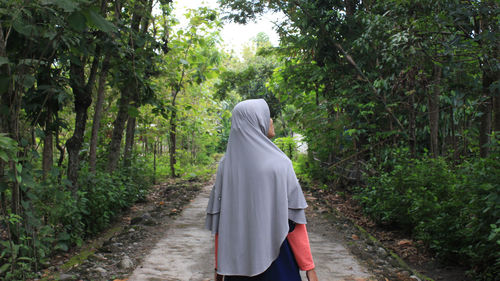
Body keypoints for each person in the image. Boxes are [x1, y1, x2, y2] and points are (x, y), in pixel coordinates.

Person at [205, 99, 318, 281]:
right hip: (279, 262)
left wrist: (219, 268)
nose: (271, 120)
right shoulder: (280, 164)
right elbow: (294, 223)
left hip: (236, 266)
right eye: (267, 115)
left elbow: (222, 225)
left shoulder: (226, 166)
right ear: (254, 121)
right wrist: (308, 267)